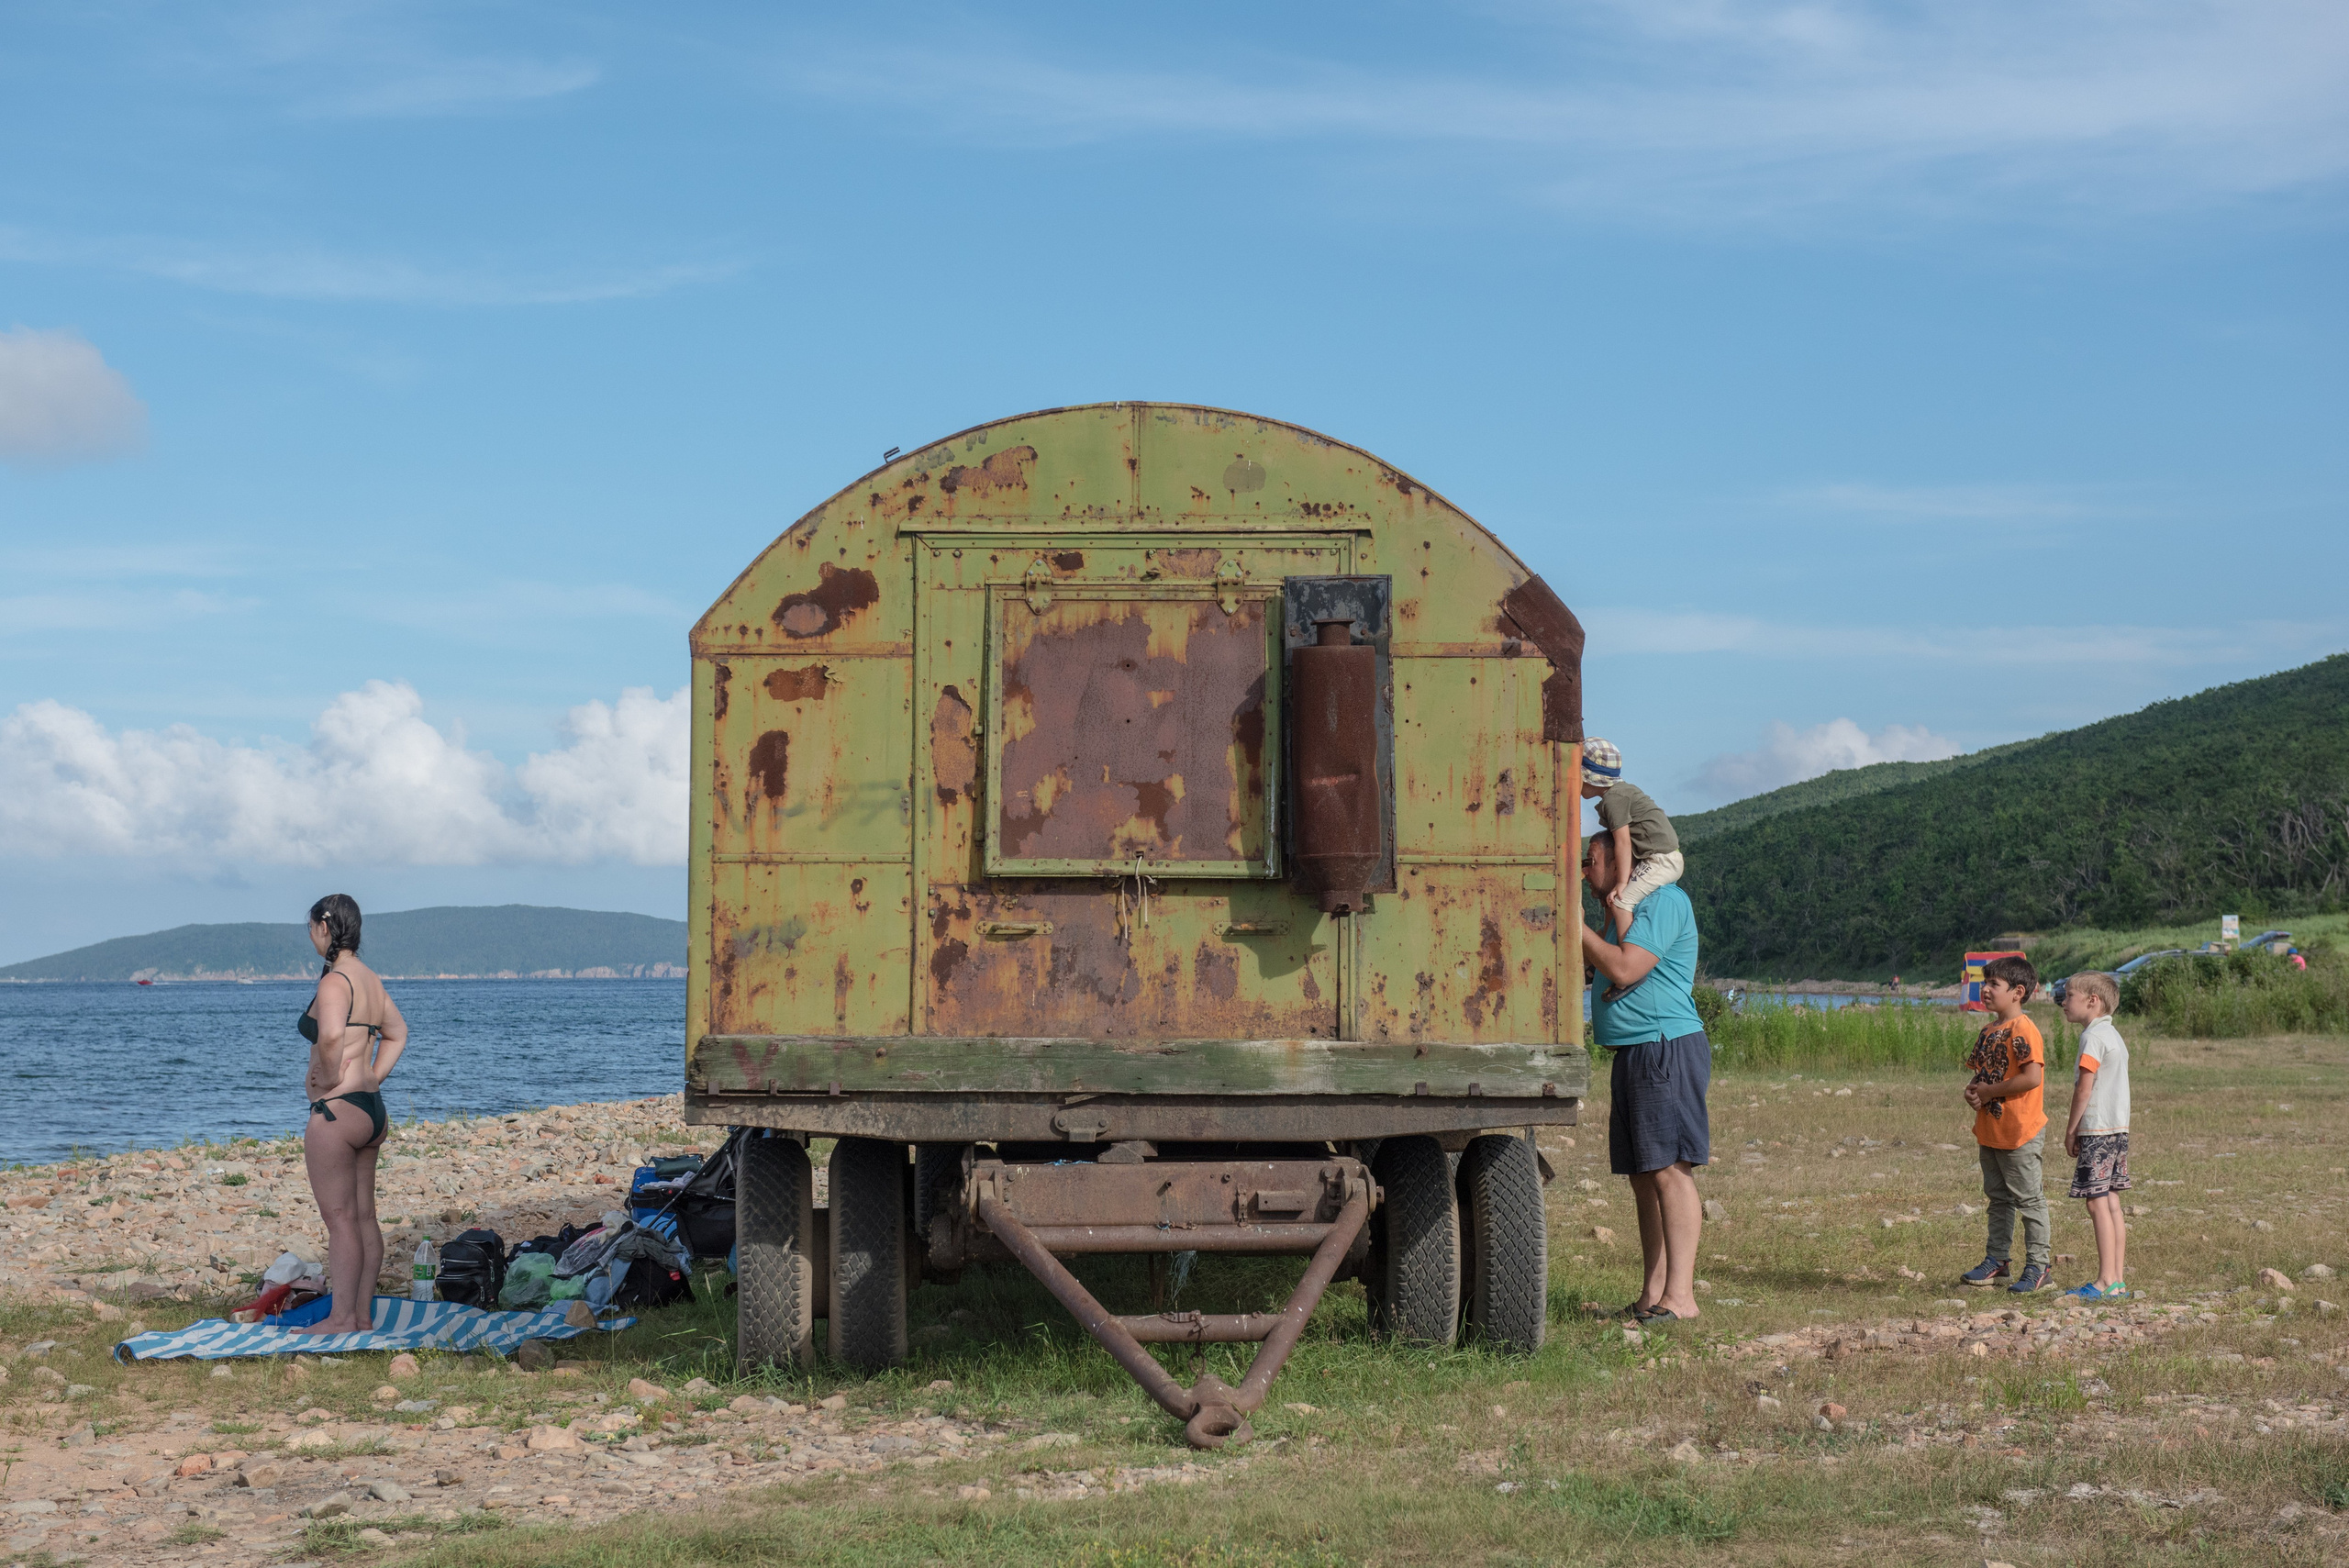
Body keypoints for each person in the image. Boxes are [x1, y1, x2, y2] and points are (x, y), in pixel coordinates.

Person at [1580, 830, 1709, 1323]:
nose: (1586, 870)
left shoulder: (1664, 901)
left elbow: (1627, 967)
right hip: (1635, 1052)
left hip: (1663, 1047)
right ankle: (1652, 1295)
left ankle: (1681, 1298)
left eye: (1591, 860)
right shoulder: (1621, 915)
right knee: (1642, 1176)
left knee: (1670, 1170)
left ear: (1622, 859)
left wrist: (1576, 927)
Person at [295, 894, 408, 1335]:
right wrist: (374, 1078)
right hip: (370, 1112)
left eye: (310, 928)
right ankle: (361, 1315)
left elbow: (331, 1037)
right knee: (363, 1218)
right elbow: (397, 1034)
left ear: (324, 926)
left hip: (336, 1113)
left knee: (340, 1220)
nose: (310, 936)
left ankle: (341, 1318)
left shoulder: (334, 982)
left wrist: (325, 1077)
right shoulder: (369, 979)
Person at [1958, 954, 2051, 1294]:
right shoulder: (1988, 1031)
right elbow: (1981, 1078)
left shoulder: (2023, 1029)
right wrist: (1973, 1094)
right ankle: (1997, 1261)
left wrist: (1990, 1091)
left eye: (1993, 984)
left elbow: (2031, 1077)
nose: (1985, 990)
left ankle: (2039, 1267)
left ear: (2017, 992)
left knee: (2029, 1200)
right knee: (1998, 1199)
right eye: (1985, 983)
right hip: (1991, 1130)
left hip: (2019, 1132)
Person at [2058, 972, 2131, 1299]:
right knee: (2111, 1201)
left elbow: (2084, 1087)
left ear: (2092, 1001)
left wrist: (2072, 1129)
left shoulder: (2092, 1038)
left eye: (2069, 995)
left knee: (2096, 1203)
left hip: (2098, 1129)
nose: (2063, 1001)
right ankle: (2117, 1280)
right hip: (2118, 1129)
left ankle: (2103, 1282)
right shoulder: (2113, 1035)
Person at [1576, 738, 1683, 945]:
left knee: (1620, 903)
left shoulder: (1614, 800)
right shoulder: (1620, 793)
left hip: (1661, 860)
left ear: (1591, 778)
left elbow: (1623, 842)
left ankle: (1627, 956)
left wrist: (1622, 883)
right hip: (1660, 857)